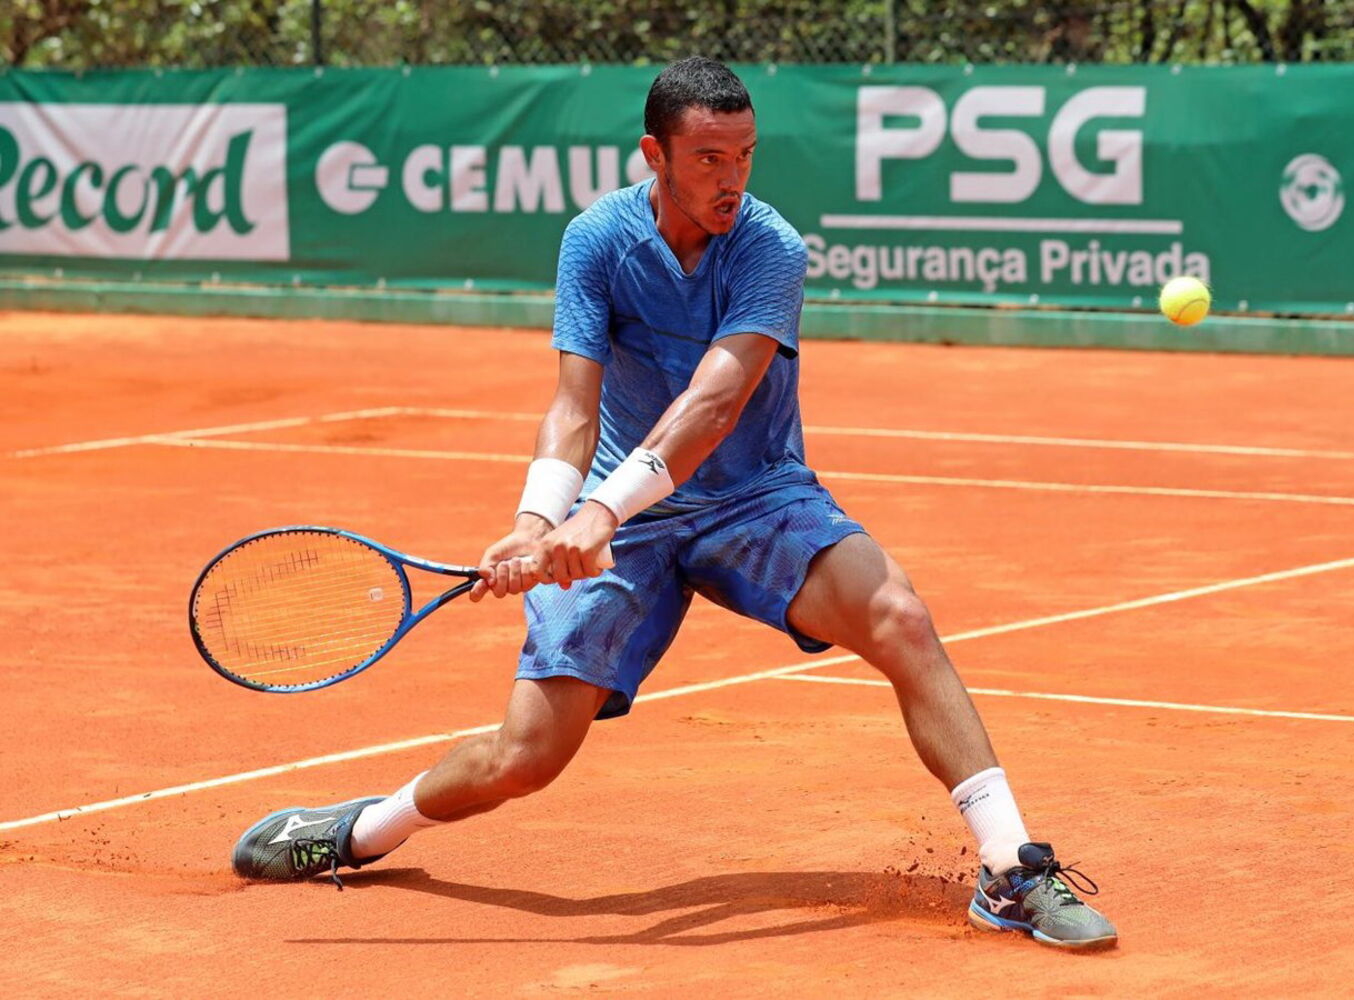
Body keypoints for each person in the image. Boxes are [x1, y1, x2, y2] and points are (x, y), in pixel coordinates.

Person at [231, 57, 1116, 951]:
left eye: (745, 155)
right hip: (631, 517)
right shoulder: (597, 239)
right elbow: (574, 407)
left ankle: (1010, 867)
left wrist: (600, 515)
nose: (733, 178)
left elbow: (714, 404)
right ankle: (358, 832)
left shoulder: (770, 246)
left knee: (900, 617)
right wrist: (540, 518)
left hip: (755, 497)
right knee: (525, 758)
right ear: (655, 155)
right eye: (708, 159)